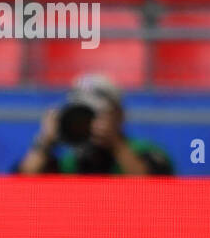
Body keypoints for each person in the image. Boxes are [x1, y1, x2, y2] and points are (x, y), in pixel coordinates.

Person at [17, 74, 174, 175]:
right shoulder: (67, 163)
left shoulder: (145, 152)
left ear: (118, 115)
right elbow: (21, 187)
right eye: (79, 114)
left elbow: (154, 192)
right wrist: (45, 142)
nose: (86, 123)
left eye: (95, 114)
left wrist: (116, 145)